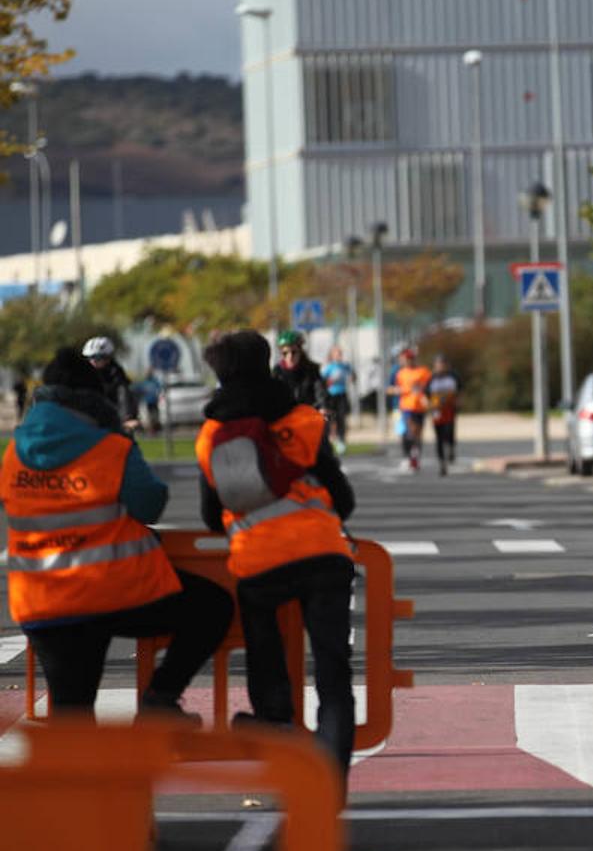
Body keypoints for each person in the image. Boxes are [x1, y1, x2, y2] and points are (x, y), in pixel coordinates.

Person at [1, 347, 232, 718]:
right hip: (108, 593)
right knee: (211, 608)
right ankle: (161, 696)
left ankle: (77, 772)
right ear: (94, 398)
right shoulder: (111, 447)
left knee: (72, 718)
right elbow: (150, 503)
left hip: (40, 600)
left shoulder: (14, 454)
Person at [196, 330, 358, 785]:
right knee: (333, 675)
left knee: (266, 655)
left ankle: (275, 720)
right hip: (325, 557)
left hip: (259, 564)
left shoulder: (212, 436)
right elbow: (342, 499)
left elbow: (212, 517)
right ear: (268, 362)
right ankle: (330, 785)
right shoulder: (303, 419)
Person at [82, 336, 140, 432]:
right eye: (89, 358)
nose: (92, 361)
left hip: (112, 424)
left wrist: (127, 418)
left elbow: (124, 397)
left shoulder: (116, 377)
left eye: (97, 358)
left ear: (108, 358)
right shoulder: (81, 376)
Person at [389, 345, 432, 473]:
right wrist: (400, 390)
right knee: (409, 432)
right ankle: (410, 456)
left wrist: (426, 396)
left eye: (411, 359)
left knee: (418, 434)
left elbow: (429, 387)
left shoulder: (423, 371)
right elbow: (391, 388)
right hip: (406, 407)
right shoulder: (400, 373)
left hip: (420, 407)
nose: (409, 361)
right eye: (407, 359)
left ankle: (415, 456)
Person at [272, 329, 326, 411]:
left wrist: (323, 407)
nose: (289, 356)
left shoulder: (312, 370)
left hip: (307, 415)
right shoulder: (277, 371)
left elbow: (320, 392)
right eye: (285, 353)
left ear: (300, 351)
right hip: (285, 417)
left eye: (293, 352)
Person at [428, 354, 460, 476]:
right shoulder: (432, 378)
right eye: (438, 364)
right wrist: (431, 405)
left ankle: (451, 449)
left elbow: (459, 390)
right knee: (439, 438)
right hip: (437, 410)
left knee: (449, 433)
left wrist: (456, 401)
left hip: (449, 409)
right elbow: (426, 394)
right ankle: (442, 463)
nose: (440, 366)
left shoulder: (453, 377)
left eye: (442, 364)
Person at [321, 346, 355, 455]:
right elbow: (322, 382)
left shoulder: (346, 366)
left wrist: (352, 377)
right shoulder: (329, 367)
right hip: (331, 396)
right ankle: (332, 437)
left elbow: (353, 376)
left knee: (342, 418)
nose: (339, 355)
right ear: (332, 355)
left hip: (342, 395)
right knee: (331, 418)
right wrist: (330, 381)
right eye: (337, 353)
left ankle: (341, 440)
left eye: (340, 353)